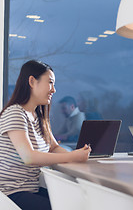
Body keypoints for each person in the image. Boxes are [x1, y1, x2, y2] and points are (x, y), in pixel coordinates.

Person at [0, 60, 91, 210]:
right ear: (31, 81)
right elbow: (28, 157)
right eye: (50, 82)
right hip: (11, 193)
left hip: (30, 189)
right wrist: (72, 157)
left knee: (76, 203)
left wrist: (79, 155)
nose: (54, 90)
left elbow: (53, 147)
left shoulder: (38, 117)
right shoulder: (15, 113)